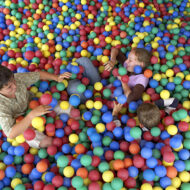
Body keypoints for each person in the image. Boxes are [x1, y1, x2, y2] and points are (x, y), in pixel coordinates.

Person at [0, 65, 71, 149]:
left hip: (34, 104)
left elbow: (38, 75)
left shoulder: (17, 78)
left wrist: (56, 77)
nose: (15, 86)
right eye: (9, 87)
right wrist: (31, 115)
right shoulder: (1, 106)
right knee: (48, 142)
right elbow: (11, 134)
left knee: (71, 110)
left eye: (13, 81)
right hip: (21, 123)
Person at [112, 98, 179, 131]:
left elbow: (119, 129)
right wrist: (155, 104)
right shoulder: (165, 117)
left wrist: (115, 113)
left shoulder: (137, 130)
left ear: (141, 125)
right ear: (159, 112)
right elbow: (174, 101)